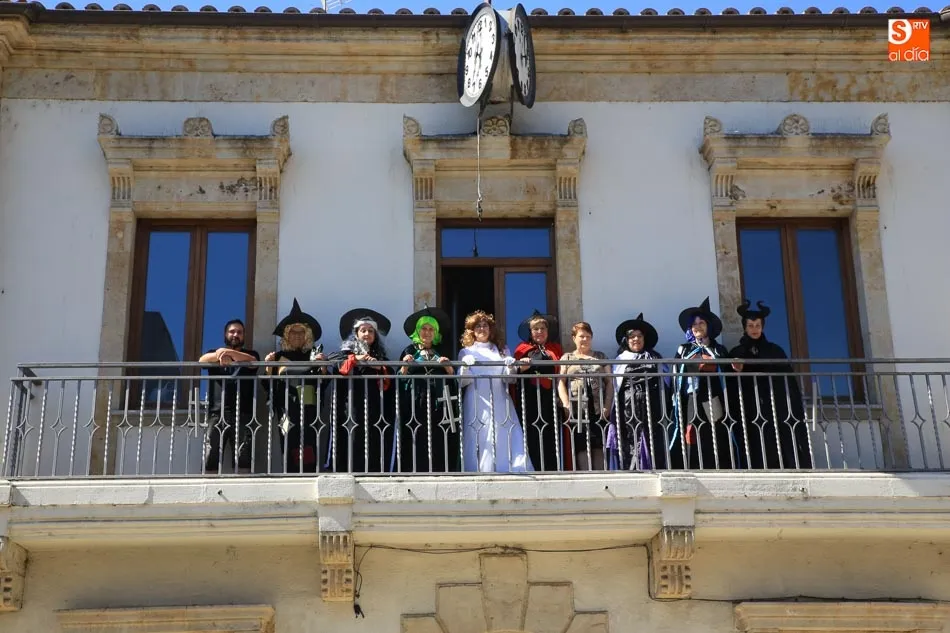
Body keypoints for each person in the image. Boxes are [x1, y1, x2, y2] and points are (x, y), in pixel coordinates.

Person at [729, 299, 813, 469]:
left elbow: (786, 381)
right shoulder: (737, 352)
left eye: (757, 325)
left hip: (775, 406)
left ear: (762, 327)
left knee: (778, 439)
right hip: (749, 407)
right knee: (753, 440)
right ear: (745, 327)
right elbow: (731, 383)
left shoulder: (775, 350)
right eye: (751, 325)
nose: (754, 329)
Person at [457, 310, 533, 473]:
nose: (482, 329)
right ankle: (480, 470)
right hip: (477, 398)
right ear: (472, 330)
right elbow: (463, 381)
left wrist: (511, 367)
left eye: (485, 325)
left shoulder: (502, 350)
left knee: (503, 431)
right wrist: (464, 367)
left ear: (490, 329)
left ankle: (509, 468)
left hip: (500, 398)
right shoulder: (466, 351)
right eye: (478, 326)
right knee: (480, 434)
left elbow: (509, 379)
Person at [322, 309, 394, 473]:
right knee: (348, 442)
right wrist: (357, 359)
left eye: (370, 331)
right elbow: (335, 362)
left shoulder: (380, 357)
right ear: (356, 334)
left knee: (373, 442)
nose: (367, 334)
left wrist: (378, 367)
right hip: (349, 409)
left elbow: (389, 378)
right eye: (363, 331)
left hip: (375, 411)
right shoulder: (345, 353)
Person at [670, 297, 738, 470]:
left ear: (708, 326)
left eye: (701, 323)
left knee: (714, 429)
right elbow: (676, 372)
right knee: (691, 430)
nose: (697, 327)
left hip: (712, 395)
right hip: (691, 396)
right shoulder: (683, 349)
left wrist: (711, 363)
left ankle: (716, 467)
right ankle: (692, 465)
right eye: (694, 324)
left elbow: (727, 372)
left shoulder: (718, 349)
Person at [264, 298, 326, 473]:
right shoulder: (278, 356)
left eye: (301, 332)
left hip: (310, 407)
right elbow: (267, 383)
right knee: (289, 441)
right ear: (286, 335)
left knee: (309, 442)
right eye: (293, 332)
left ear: (307, 335)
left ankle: (308, 474)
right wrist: (268, 365)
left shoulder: (313, 355)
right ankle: (290, 473)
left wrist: (322, 364)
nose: (297, 336)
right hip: (286, 407)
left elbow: (324, 380)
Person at [395, 306, 459, 473]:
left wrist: (449, 369)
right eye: (424, 328)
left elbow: (453, 379)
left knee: (438, 435)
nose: (427, 332)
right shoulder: (408, 350)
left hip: (438, 401)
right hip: (415, 401)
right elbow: (400, 379)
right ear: (417, 331)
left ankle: (439, 470)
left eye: (431, 329)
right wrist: (405, 367)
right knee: (415, 434)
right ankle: (414, 469)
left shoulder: (443, 350)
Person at [199, 319, 260, 474]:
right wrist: (219, 354)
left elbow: (253, 362)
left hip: (244, 413)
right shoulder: (213, 353)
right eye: (232, 331)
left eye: (239, 332)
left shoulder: (251, 354)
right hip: (216, 412)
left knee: (243, 457)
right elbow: (202, 361)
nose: (235, 335)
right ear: (225, 334)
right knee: (210, 456)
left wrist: (228, 354)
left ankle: (243, 494)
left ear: (244, 336)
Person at [613, 313, 667, 470]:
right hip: (629, 407)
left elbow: (666, 383)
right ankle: (632, 470)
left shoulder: (655, 358)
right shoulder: (620, 360)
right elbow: (616, 385)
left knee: (653, 438)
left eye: (639, 336)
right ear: (626, 340)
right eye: (632, 336)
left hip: (653, 406)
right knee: (631, 438)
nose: (636, 339)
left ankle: (655, 467)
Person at [558, 321, 614, 471]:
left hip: (598, 407)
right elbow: (560, 382)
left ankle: (601, 477)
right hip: (577, 408)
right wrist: (566, 404)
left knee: (599, 443)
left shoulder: (601, 356)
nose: (585, 340)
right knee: (581, 444)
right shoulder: (567, 358)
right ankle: (585, 475)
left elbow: (609, 382)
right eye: (581, 336)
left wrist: (607, 405)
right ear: (574, 338)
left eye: (588, 336)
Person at [513, 310, 564, 471]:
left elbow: (560, 371)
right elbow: (515, 372)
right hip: (529, 398)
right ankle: (533, 468)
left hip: (550, 398)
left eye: (543, 328)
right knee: (532, 434)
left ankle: (552, 470)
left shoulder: (555, 349)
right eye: (536, 329)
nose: (540, 332)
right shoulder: (522, 349)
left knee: (551, 434)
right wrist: (523, 366)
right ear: (530, 332)